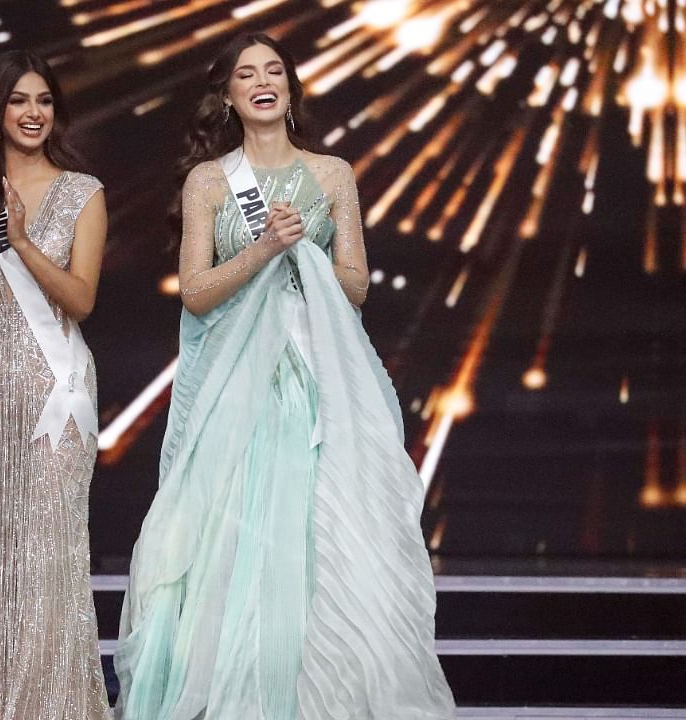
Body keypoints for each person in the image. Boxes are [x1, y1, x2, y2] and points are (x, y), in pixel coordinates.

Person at [114, 33, 456, 719]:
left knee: (320, 539)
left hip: (314, 386)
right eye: (246, 73)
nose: (262, 81)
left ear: (293, 90)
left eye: (274, 71)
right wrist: (265, 247)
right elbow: (196, 291)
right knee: (231, 545)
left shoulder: (332, 175)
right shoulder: (210, 181)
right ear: (229, 95)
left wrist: (306, 253)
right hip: (236, 393)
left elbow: (355, 286)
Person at [0, 50, 111, 719]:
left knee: (52, 549)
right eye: (19, 101)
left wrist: (22, 240)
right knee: (2, 551)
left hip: (57, 388)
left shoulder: (83, 191)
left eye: (43, 100)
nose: (34, 113)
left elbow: (82, 299)